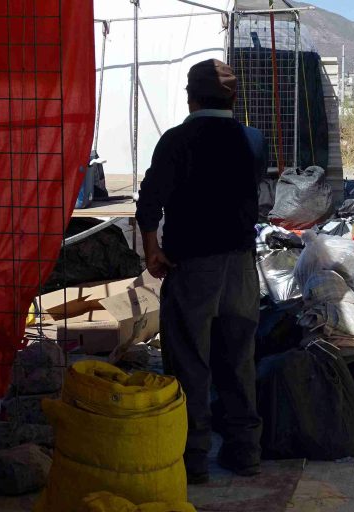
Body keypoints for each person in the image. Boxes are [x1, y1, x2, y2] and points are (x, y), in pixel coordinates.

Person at [135, 59, 267, 483]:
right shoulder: (253, 140)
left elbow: (149, 201)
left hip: (192, 267)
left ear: (190, 96)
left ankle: (193, 461)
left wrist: (152, 250)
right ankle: (244, 452)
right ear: (233, 96)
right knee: (238, 359)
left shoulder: (176, 140)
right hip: (243, 267)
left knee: (190, 362)